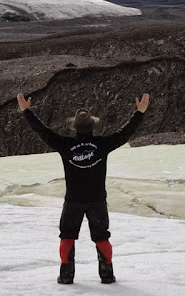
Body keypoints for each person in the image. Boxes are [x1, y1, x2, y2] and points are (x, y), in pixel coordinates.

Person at [17, 92, 150, 285]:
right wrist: (140, 112)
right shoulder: (102, 145)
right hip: (97, 200)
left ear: (75, 128)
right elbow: (125, 133)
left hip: (73, 201)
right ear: (93, 127)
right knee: (101, 236)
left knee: (68, 235)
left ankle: (66, 275)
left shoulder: (65, 145)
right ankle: (106, 274)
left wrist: (26, 111)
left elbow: (43, 132)